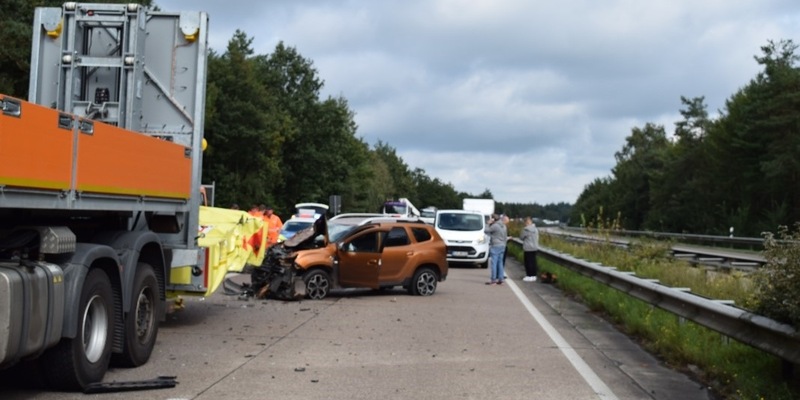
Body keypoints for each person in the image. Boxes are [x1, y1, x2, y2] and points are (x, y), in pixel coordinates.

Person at [484, 213, 507, 285]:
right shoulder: (503, 226)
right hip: (502, 245)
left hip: (495, 245)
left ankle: (493, 279)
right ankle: (501, 279)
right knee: (500, 263)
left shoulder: (495, 226)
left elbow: (486, 230)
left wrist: (488, 223)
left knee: (494, 263)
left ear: (493, 219)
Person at [520, 217, 540, 282]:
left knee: (528, 262)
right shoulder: (535, 229)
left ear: (526, 222)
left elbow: (521, 237)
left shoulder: (526, 229)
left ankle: (529, 275)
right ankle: (534, 275)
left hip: (528, 247)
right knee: (533, 262)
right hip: (534, 247)